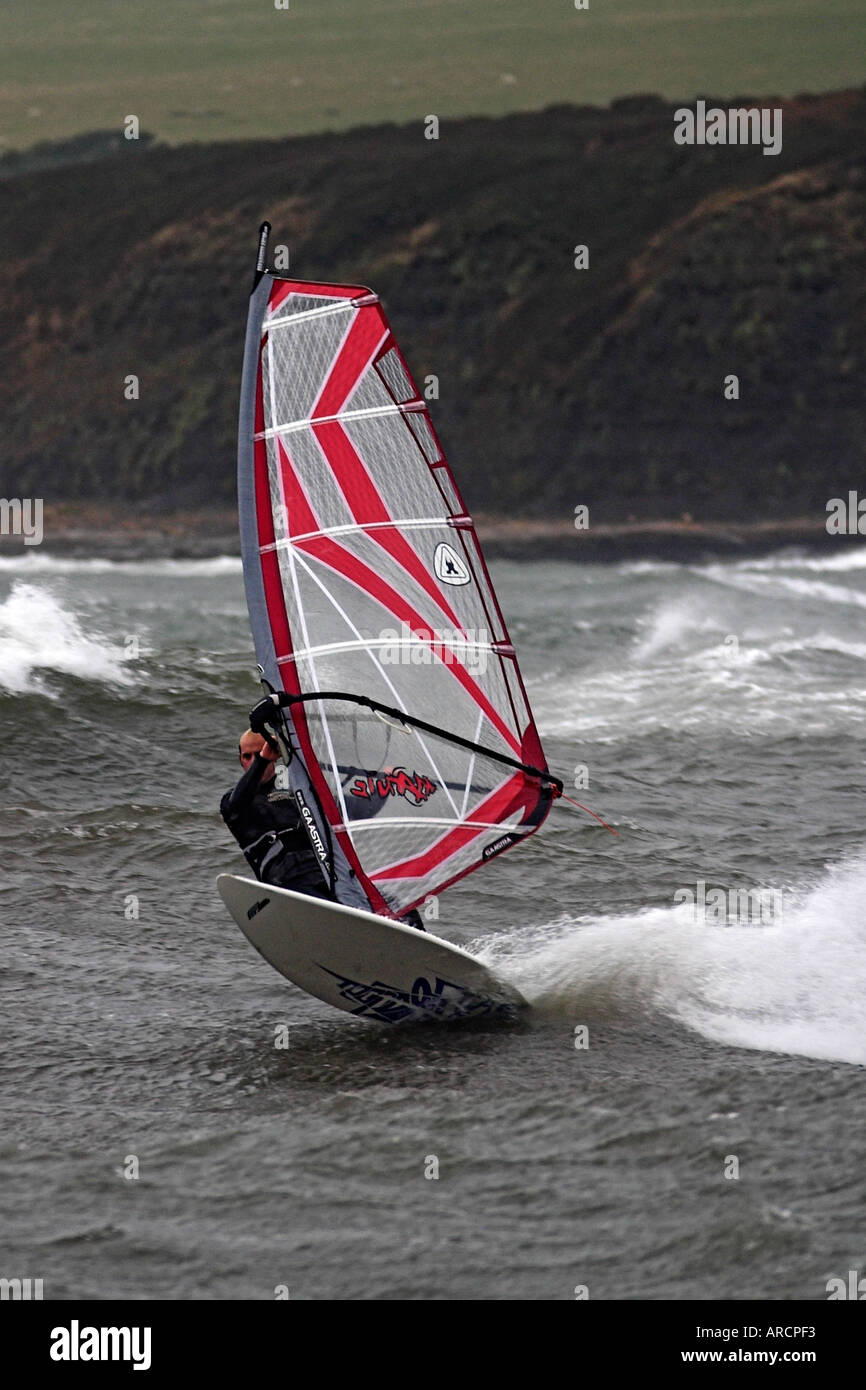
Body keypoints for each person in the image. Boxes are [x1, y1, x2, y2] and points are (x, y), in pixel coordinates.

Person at [220, 728, 425, 929]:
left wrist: (385, 782)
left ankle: (422, 953)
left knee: (400, 908)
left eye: (260, 752)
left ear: (276, 756)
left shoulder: (301, 792)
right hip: (289, 883)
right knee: (334, 910)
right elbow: (240, 799)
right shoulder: (233, 803)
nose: (254, 760)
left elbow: (361, 808)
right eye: (248, 756)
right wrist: (264, 758)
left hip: (331, 875)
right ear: (241, 760)